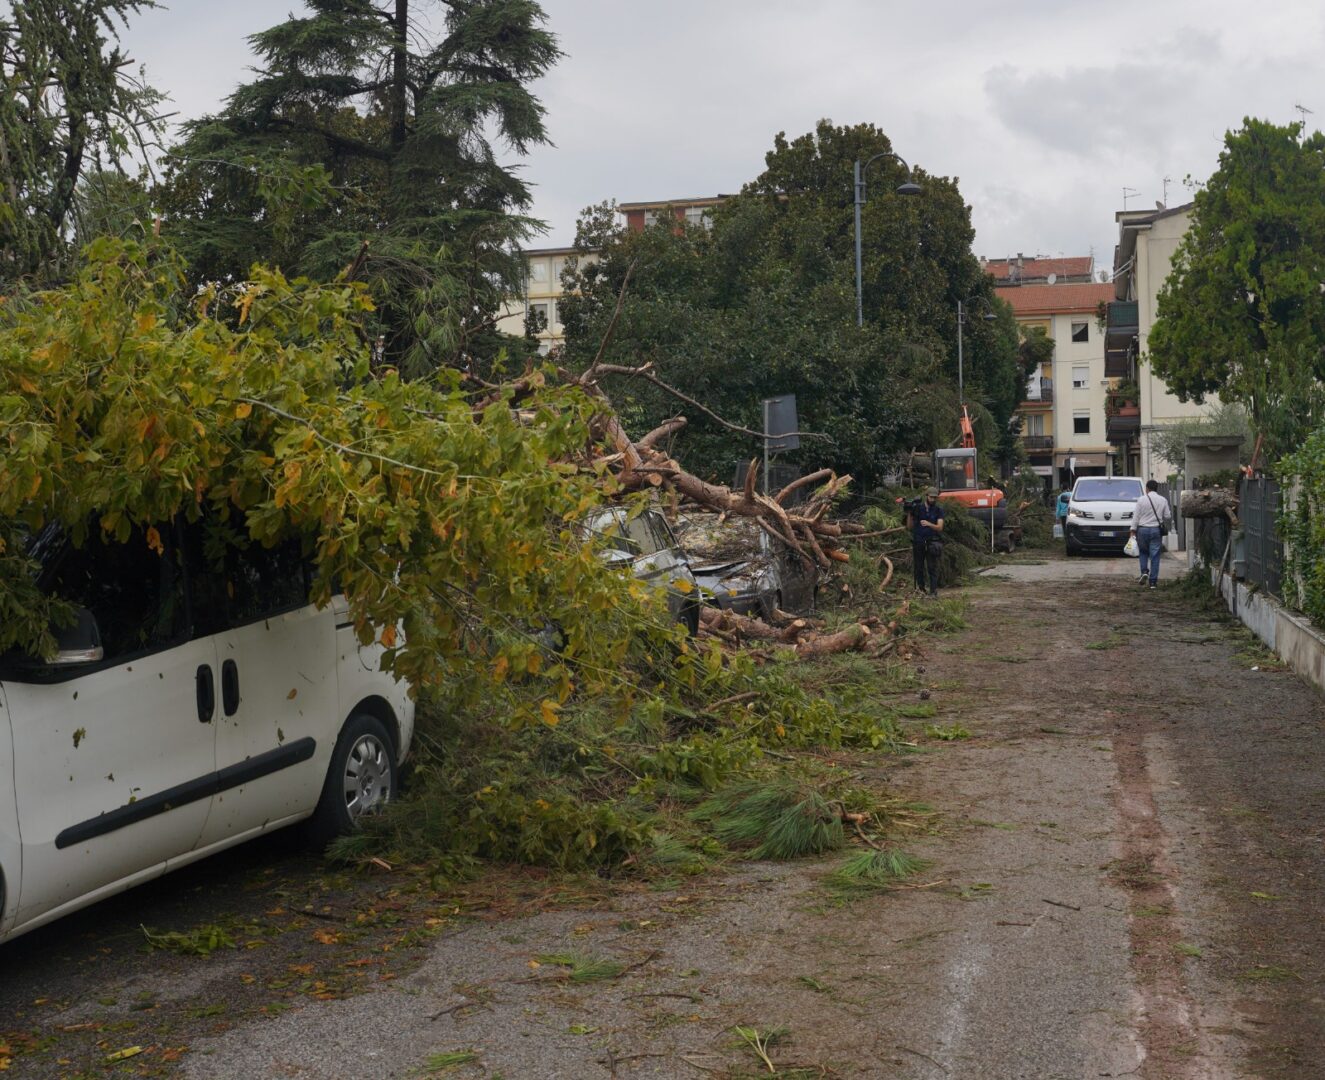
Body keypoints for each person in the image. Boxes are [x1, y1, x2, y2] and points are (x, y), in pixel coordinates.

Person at [1129, 479, 1173, 590]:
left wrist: (1132, 530)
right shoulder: (1162, 500)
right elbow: (1167, 516)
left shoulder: (1141, 500)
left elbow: (1136, 517)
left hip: (1142, 530)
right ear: (1156, 488)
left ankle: (1144, 572)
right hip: (1155, 530)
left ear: (1147, 489)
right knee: (1155, 555)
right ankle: (1153, 582)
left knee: (1143, 552)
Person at [906, 487, 945, 595]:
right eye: (931, 497)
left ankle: (933, 591)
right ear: (926, 496)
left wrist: (929, 524)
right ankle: (921, 589)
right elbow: (909, 526)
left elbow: (940, 527)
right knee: (918, 567)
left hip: (932, 541)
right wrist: (909, 513)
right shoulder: (918, 508)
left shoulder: (938, 510)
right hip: (918, 541)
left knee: (932, 567)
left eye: (934, 497)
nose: (933, 499)